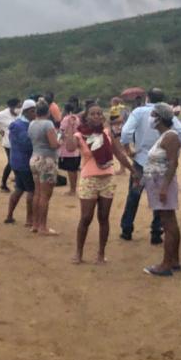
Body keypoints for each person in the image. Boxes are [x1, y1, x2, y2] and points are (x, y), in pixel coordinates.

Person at [119, 88, 181, 244]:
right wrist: (179, 148)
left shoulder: (139, 112)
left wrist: (128, 150)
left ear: (147, 98)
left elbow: (125, 132)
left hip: (141, 161)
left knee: (134, 196)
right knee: (160, 200)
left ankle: (126, 230)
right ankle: (156, 233)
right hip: (160, 164)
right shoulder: (167, 113)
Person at [73, 105, 133, 264]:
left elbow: (118, 153)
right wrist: (67, 131)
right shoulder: (79, 135)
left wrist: (133, 170)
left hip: (108, 179)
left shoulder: (106, 133)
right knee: (85, 217)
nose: (96, 116)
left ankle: (101, 253)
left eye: (99, 114)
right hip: (89, 179)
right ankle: (78, 253)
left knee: (103, 217)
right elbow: (69, 147)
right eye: (93, 114)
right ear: (86, 117)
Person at [143, 104, 181, 277]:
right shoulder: (164, 136)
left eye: (153, 115)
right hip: (157, 182)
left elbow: (173, 163)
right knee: (169, 221)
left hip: (162, 183)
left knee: (168, 223)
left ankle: (166, 264)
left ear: (160, 117)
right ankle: (173, 261)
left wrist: (164, 187)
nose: (150, 118)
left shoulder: (170, 137)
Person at [28, 100, 60, 235]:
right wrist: (61, 142)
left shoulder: (32, 123)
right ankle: (43, 226)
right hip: (47, 160)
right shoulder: (48, 124)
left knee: (37, 193)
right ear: (48, 112)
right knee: (45, 196)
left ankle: (35, 224)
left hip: (34, 158)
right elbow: (53, 144)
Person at [4, 99, 36, 226]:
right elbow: (26, 144)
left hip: (16, 161)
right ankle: (29, 219)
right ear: (27, 111)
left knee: (19, 189)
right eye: (33, 111)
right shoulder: (22, 126)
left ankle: (10, 215)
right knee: (31, 191)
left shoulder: (16, 124)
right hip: (24, 162)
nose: (35, 114)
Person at [0, 98, 19, 192]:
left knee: (17, 162)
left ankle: (18, 182)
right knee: (11, 163)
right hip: (8, 143)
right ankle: (3, 183)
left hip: (18, 142)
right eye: (18, 106)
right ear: (12, 107)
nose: (20, 107)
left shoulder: (20, 113)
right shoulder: (2, 114)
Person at [57, 101, 81, 195]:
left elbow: (61, 132)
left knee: (70, 170)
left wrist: (58, 140)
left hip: (67, 147)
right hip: (76, 146)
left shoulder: (66, 119)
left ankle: (72, 190)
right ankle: (74, 188)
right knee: (74, 169)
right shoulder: (77, 118)